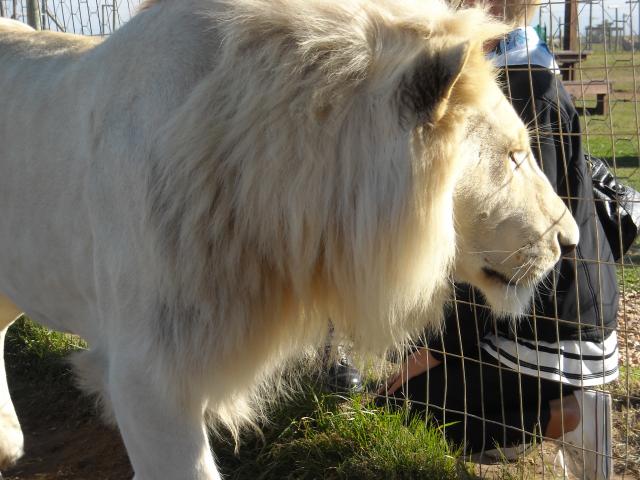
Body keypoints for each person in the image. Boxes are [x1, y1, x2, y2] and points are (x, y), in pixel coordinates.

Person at [379, 2, 619, 479]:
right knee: (404, 390)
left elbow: (510, 238)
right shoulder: (515, 73)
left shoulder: (526, 87)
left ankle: (569, 415)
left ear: (478, 8)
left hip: (555, 322)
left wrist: (434, 354)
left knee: (405, 411)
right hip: (529, 312)